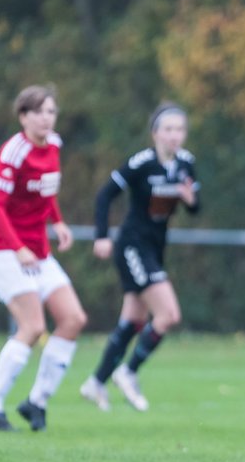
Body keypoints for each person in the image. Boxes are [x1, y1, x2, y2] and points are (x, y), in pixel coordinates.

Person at [81, 103, 200, 413]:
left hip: (155, 248)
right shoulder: (141, 163)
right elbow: (105, 195)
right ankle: (128, 371)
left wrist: (191, 200)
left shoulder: (186, 164)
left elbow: (194, 206)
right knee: (169, 315)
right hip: (132, 246)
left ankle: (96, 382)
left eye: (180, 129)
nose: (175, 135)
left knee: (134, 321)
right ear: (155, 133)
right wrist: (102, 236)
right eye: (168, 129)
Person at [0, 84, 88, 431]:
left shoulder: (55, 145)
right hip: (5, 250)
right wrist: (17, 248)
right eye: (39, 112)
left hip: (38, 251)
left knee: (74, 319)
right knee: (33, 327)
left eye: (51, 111)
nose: (46, 118)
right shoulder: (13, 152)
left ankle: (36, 402)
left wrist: (59, 221)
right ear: (23, 116)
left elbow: (47, 191)